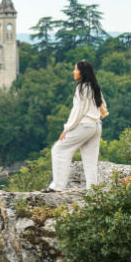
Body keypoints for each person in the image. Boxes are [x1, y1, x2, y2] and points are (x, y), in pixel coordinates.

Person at [41, 60, 108, 193]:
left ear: (82, 72)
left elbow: (77, 111)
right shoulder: (94, 86)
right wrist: (95, 117)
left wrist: (67, 129)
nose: (74, 71)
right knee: (90, 161)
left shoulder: (81, 87)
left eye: (76, 69)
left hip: (85, 125)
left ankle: (57, 186)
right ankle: (92, 191)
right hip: (96, 125)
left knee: (58, 150)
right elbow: (103, 105)